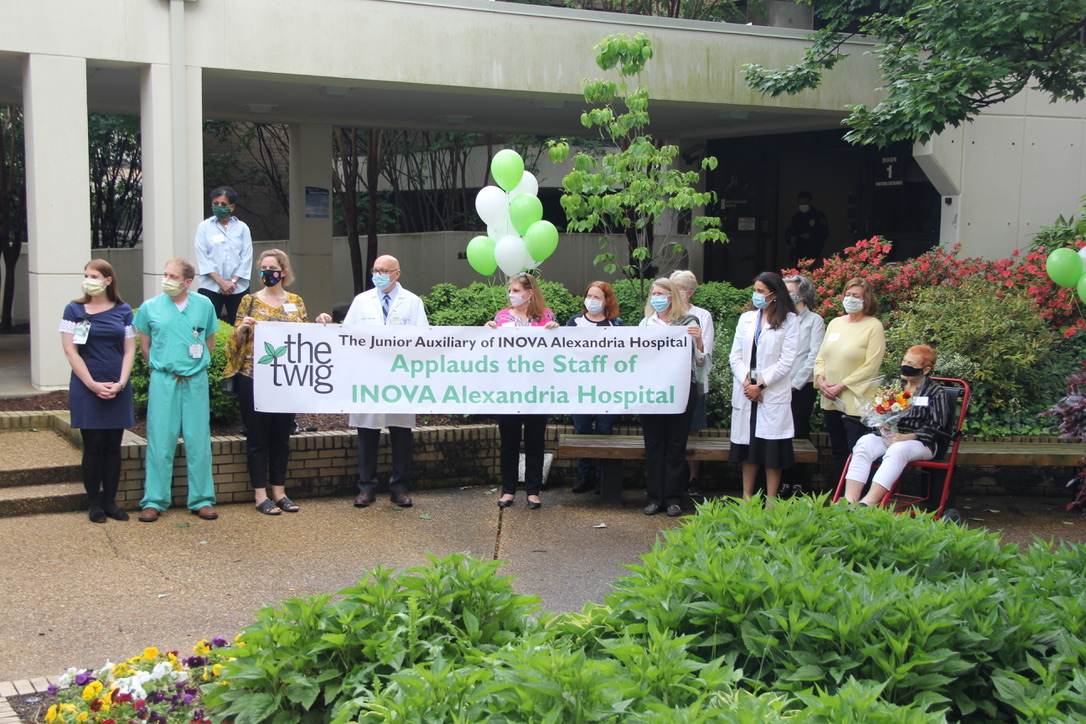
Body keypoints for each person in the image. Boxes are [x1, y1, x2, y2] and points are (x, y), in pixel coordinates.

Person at [225, 249, 332, 515]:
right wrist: (241, 329)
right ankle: (260, 495)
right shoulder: (249, 301)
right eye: (262, 268)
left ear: (283, 272)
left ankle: (279, 492)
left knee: (282, 438)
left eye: (271, 268)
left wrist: (320, 324)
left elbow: (304, 338)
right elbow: (233, 344)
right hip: (253, 377)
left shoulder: (296, 301)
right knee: (258, 437)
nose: (266, 273)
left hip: (285, 379)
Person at [134, 258, 220, 522]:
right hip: (164, 380)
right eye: (166, 274)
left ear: (187, 281)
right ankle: (154, 500)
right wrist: (164, 368)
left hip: (195, 380)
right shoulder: (151, 307)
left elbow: (209, 341)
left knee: (198, 440)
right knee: (160, 440)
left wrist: (192, 367)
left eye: (173, 276)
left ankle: (202, 499)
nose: (167, 280)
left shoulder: (204, 305)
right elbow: (145, 346)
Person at [345, 255, 429, 509]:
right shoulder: (361, 301)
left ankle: (400, 488)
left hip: (399, 377)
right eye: (375, 270)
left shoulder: (412, 302)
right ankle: (366, 488)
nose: (378, 274)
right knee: (367, 434)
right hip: (368, 376)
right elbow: (347, 335)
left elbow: (422, 338)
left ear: (397, 274)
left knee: (401, 434)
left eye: (383, 270)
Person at [60, 260, 136, 523]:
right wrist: (92, 384)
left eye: (93, 275)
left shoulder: (124, 310)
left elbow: (129, 350)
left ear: (108, 280)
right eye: (85, 275)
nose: (88, 279)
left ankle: (111, 503)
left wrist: (121, 383)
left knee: (113, 446)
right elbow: (71, 351)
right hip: (86, 387)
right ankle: (94, 503)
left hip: (117, 387)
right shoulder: (74, 309)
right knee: (93, 446)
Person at [841, 345, 953, 506]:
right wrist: (882, 423)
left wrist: (906, 437)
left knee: (897, 449)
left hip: (922, 442)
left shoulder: (936, 393)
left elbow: (937, 426)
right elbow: (880, 411)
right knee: (864, 443)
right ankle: (849, 501)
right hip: (890, 437)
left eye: (912, 364)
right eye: (904, 361)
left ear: (926, 370)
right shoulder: (894, 387)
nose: (905, 365)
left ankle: (868, 502)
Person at [486, 273, 559, 509]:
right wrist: (489, 330)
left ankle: (533, 491)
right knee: (509, 442)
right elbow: (494, 351)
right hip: (508, 390)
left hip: (537, 390)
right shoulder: (502, 316)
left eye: (516, 290)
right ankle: (508, 490)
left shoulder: (545, 316)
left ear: (529, 293)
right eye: (510, 290)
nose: (511, 294)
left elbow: (554, 351)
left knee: (535, 442)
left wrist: (555, 330)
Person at [728, 272, 799, 501]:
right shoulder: (746, 319)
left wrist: (761, 385)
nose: (756, 295)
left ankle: (771, 501)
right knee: (749, 450)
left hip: (771, 392)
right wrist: (747, 382)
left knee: (772, 451)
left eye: (761, 291)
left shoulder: (790, 320)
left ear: (774, 294)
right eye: (755, 290)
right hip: (747, 391)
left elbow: (787, 360)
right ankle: (747, 498)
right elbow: (735, 356)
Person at [639, 278, 706, 517]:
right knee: (654, 445)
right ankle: (655, 498)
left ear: (672, 297)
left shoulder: (689, 322)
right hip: (652, 392)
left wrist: (698, 340)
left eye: (661, 293)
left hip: (681, 391)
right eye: (653, 293)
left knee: (676, 446)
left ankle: (674, 499)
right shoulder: (646, 323)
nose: (656, 297)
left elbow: (700, 361)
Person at [814, 277, 886, 486]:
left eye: (856, 296)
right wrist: (821, 381)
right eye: (848, 294)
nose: (850, 299)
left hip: (857, 400)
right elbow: (821, 357)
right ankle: (839, 496)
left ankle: (857, 498)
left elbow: (871, 365)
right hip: (830, 399)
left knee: (857, 451)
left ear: (866, 299)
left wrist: (841, 385)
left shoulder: (873, 326)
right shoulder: (835, 323)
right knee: (838, 450)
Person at [566, 280, 623, 494]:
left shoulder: (615, 324)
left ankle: (602, 479)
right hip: (579, 388)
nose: (592, 301)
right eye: (589, 296)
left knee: (604, 431)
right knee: (581, 431)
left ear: (606, 301)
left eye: (597, 297)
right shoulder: (575, 322)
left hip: (607, 388)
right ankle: (585, 476)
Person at [670, 269, 715, 497]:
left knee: (693, 430)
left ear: (688, 293)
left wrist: (697, 340)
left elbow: (704, 354)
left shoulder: (702, 316)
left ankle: (693, 478)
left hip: (693, 382)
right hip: (667, 384)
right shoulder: (664, 314)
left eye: (675, 290)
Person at [781, 274, 826, 491]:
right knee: (779, 434)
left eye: (791, 292)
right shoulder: (780, 317)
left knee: (799, 432)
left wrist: (795, 383)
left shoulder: (814, 321)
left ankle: (798, 481)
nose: (787, 296)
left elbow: (813, 356)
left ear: (803, 295)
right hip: (777, 385)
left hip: (801, 387)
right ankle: (781, 480)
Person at [194, 186, 253, 324]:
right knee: (206, 325)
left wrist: (232, 282)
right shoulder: (204, 227)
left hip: (238, 286)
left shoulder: (242, 228)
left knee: (241, 325)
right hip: (210, 285)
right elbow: (202, 256)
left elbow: (246, 256)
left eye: (223, 204)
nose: (219, 207)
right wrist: (220, 282)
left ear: (232, 207)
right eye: (216, 204)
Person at [785, 191, 829, 266]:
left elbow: (824, 232)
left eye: (805, 204)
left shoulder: (818, 216)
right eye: (800, 204)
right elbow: (790, 231)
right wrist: (791, 238)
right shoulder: (796, 217)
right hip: (798, 251)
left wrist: (811, 236)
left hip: (813, 251)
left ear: (810, 202)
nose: (802, 206)